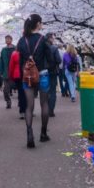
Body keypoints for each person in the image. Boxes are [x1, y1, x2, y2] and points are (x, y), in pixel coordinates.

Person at [17, 14, 53, 148]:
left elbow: (20, 60)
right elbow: (50, 59)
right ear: (38, 24)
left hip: (27, 76)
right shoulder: (43, 39)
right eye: (41, 22)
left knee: (29, 106)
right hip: (42, 74)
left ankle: (29, 133)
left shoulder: (22, 40)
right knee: (44, 104)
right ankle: (43, 133)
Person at [7, 36, 27, 119]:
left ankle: (22, 111)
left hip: (17, 75)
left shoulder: (14, 54)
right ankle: (28, 110)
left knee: (21, 93)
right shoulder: (28, 53)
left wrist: (11, 76)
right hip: (27, 74)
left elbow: (11, 66)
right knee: (28, 93)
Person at [0, 35, 17, 110]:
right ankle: (8, 101)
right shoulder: (3, 50)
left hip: (15, 73)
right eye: (6, 39)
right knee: (6, 90)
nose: (7, 40)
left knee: (18, 88)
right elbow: (1, 61)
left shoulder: (15, 49)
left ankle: (21, 103)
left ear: (11, 40)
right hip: (6, 72)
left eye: (8, 39)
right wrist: (1, 71)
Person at [46, 33, 61, 117]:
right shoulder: (54, 48)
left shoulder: (42, 48)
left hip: (43, 72)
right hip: (52, 72)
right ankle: (51, 110)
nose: (54, 39)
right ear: (50, 39)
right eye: (53, 38)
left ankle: (45, 109)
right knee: (52, 91)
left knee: (44, 91)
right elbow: (59, 60)